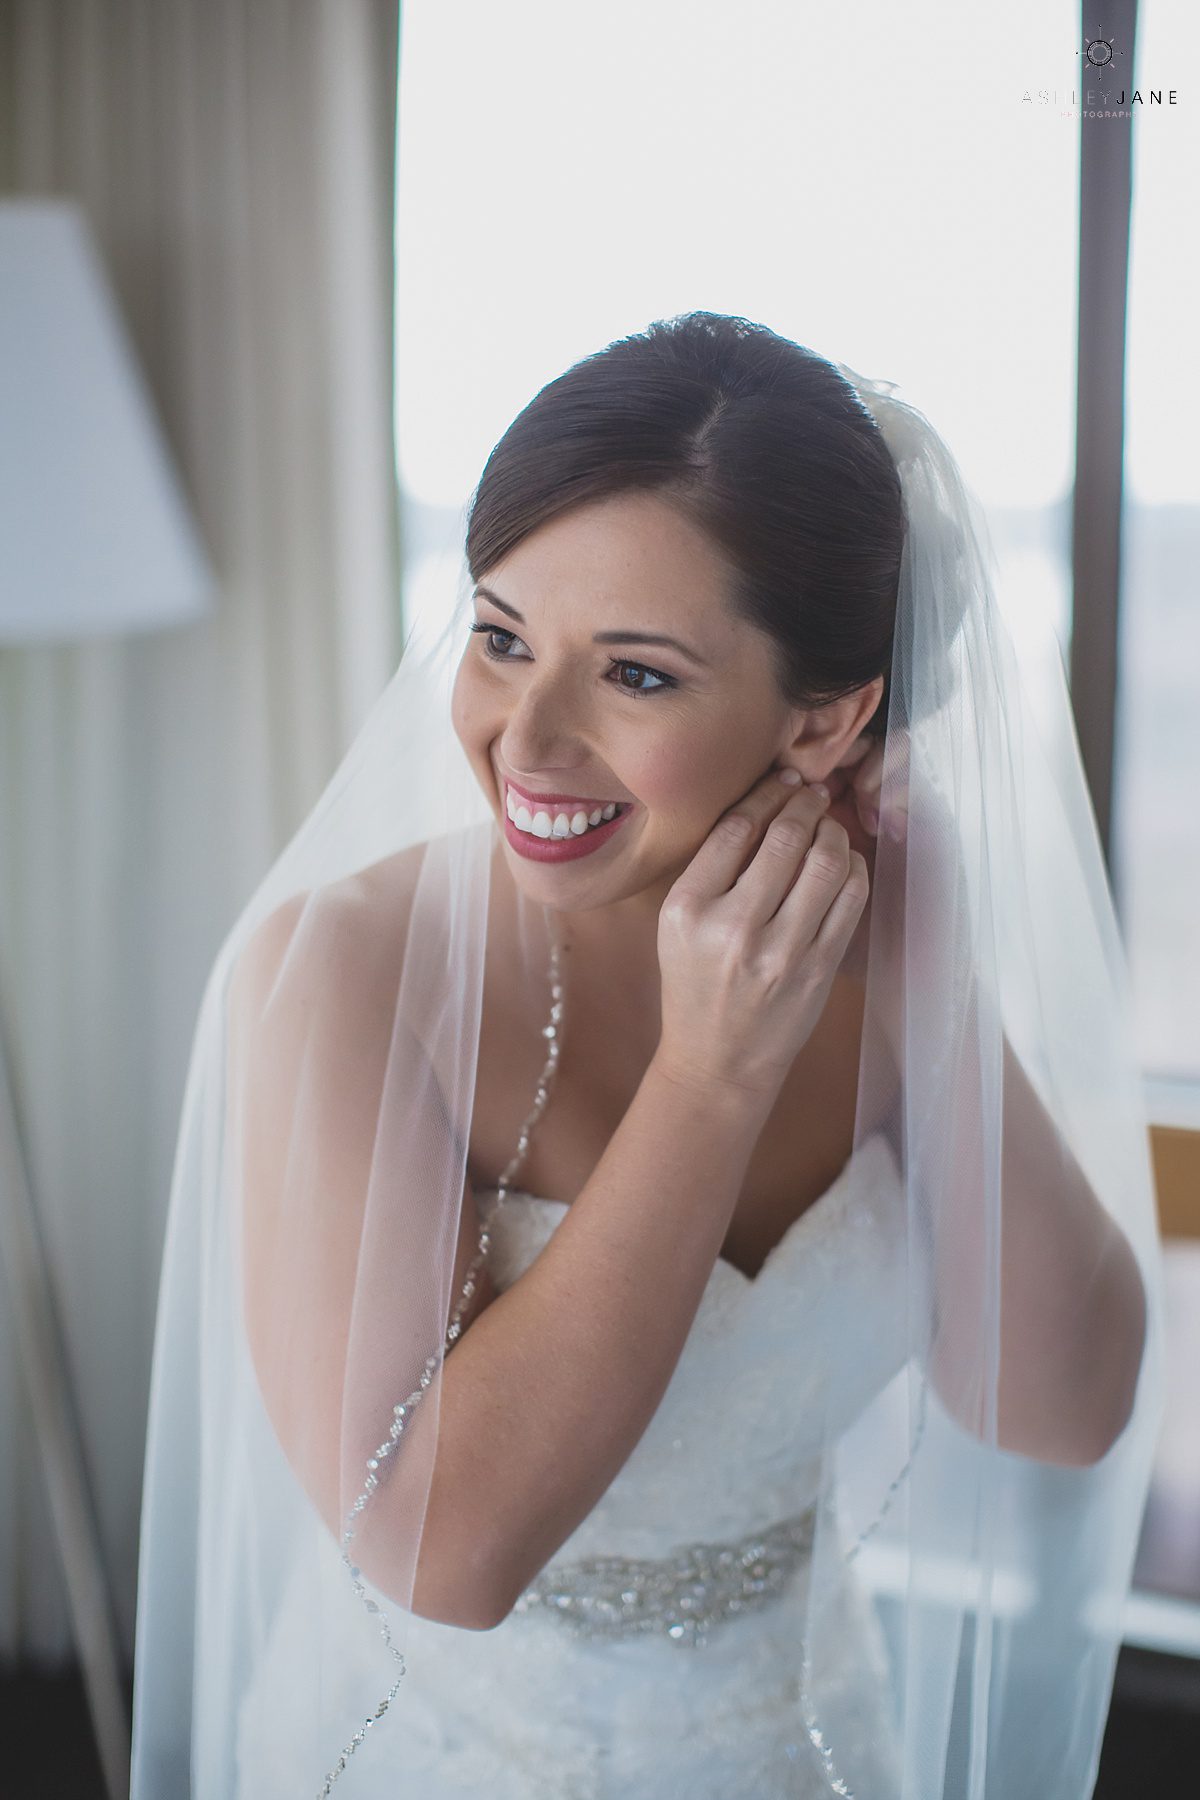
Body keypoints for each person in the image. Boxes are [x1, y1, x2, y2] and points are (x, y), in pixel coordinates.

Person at [130, 312, 1165, 1799]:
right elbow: (444, 1548)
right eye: (501, 639)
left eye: (639, 676)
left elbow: (1062, 1412)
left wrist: (931, 988)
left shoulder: (878, 946)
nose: (523, 740)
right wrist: (712, 1080)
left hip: (802, 1745)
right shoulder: (337, 971)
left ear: (828, 721)